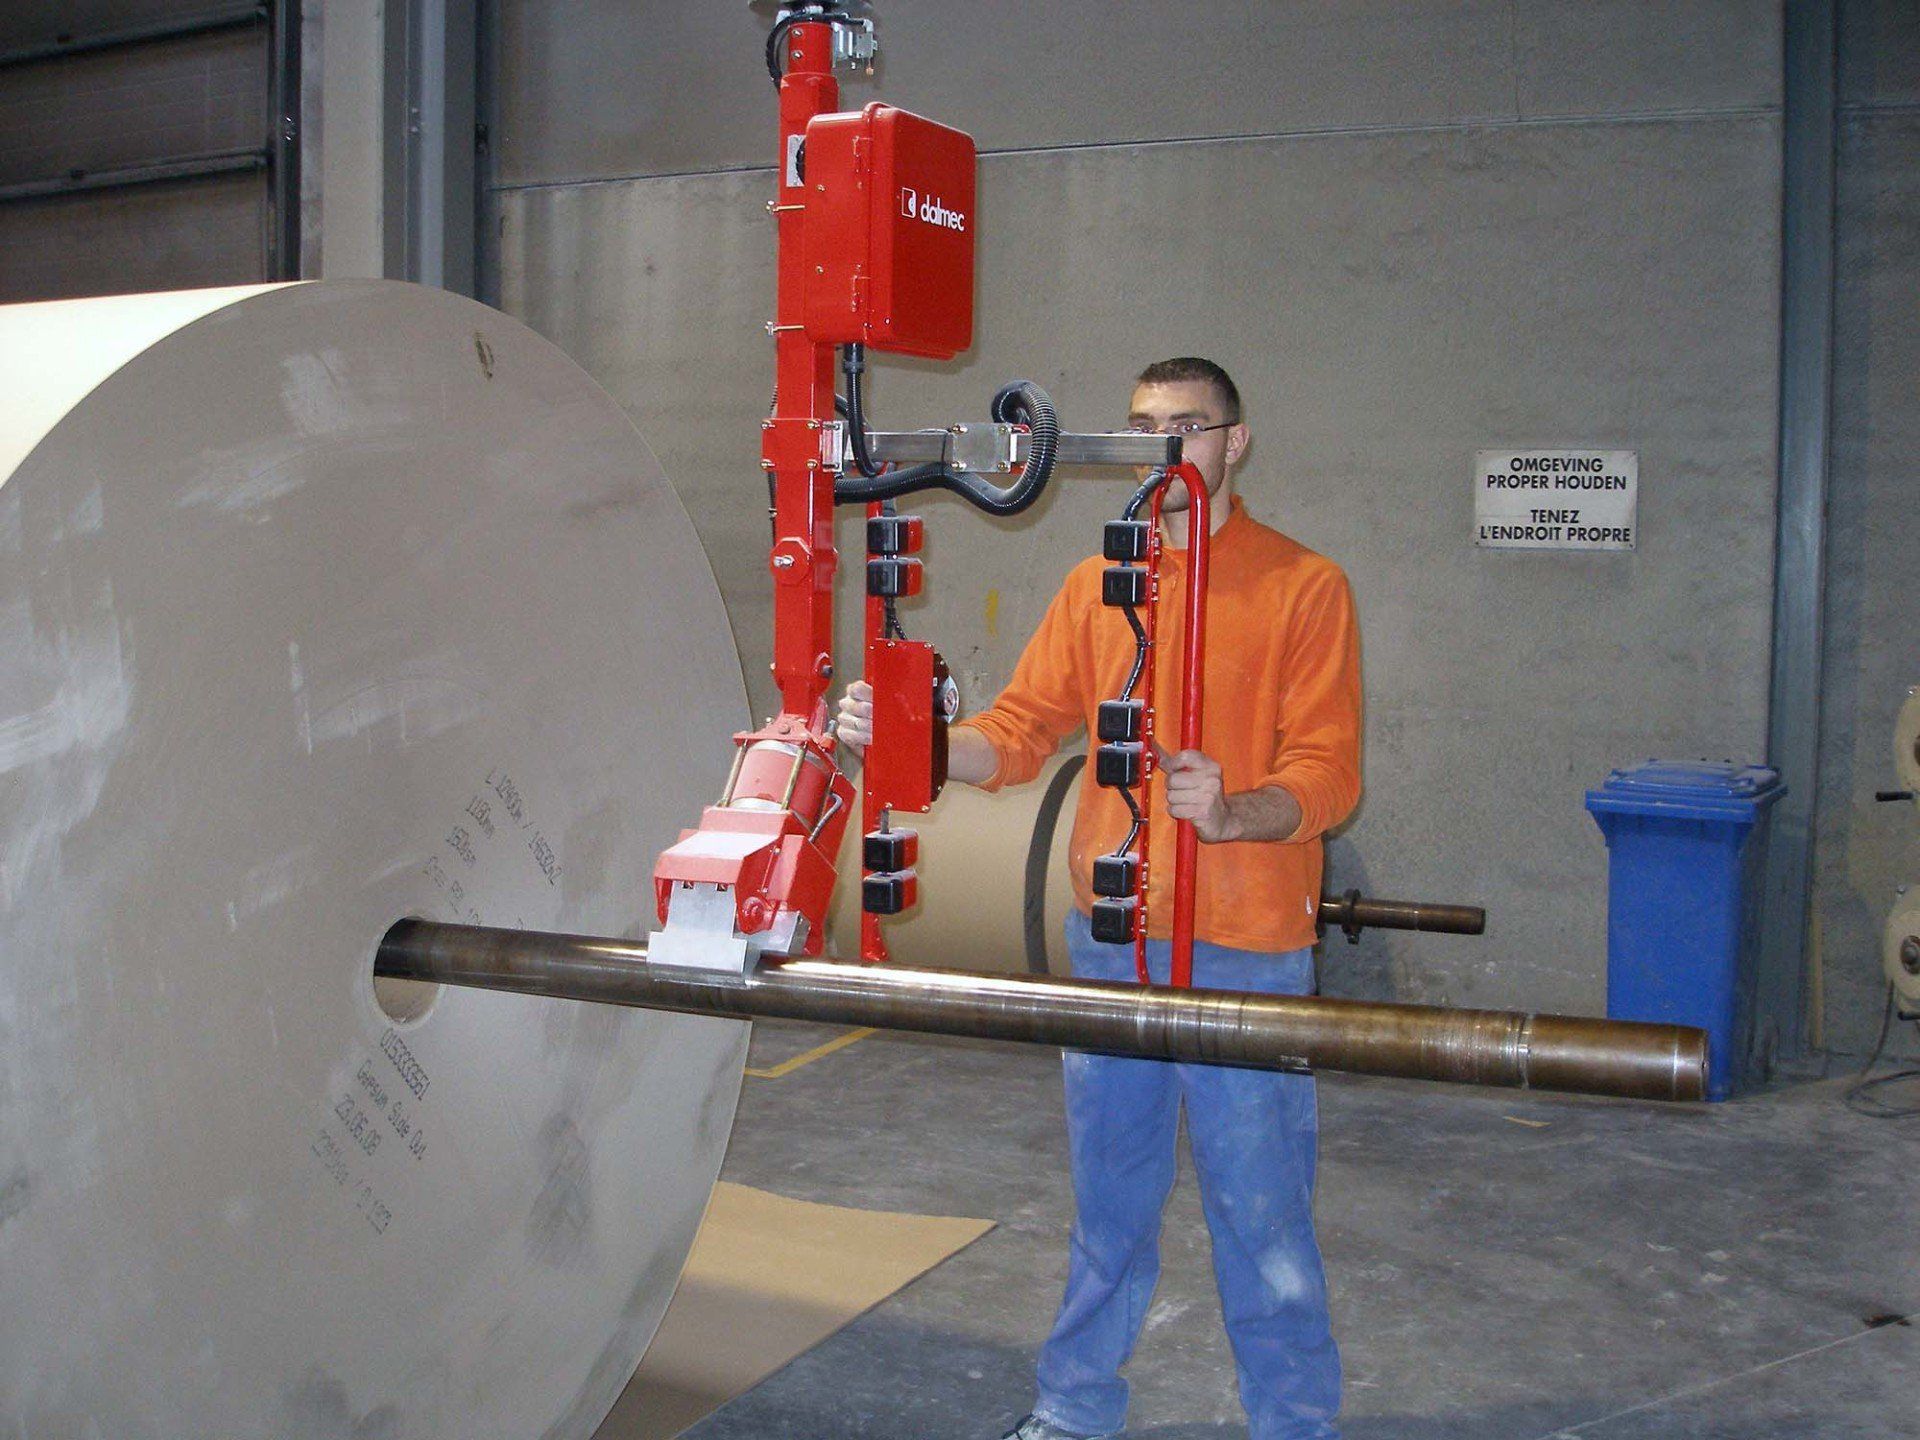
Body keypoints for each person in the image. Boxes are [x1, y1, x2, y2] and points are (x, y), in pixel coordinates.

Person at [837, 357, 1361, 1440]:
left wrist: (1238, 811)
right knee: (1109, 1208)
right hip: (1113, 948)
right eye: (1141, 427)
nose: (1161, 449)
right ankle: (1075, 1411)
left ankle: (1295, 1425)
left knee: (1263, 1218)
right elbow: (1020, 733)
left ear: (1235, 441)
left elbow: (1330, 774)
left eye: (1188, 426)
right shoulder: (1096, 588)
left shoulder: (1304, 587)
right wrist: (914, 739)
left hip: (1246, 949)